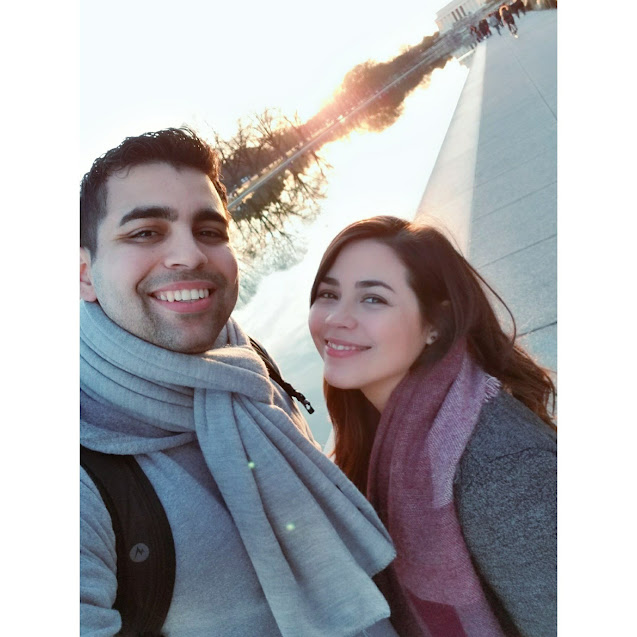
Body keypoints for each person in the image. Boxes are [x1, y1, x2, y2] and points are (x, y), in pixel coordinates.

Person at [80, 128, 399, 636]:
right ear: (83, 273)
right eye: (145, 233)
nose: (190, 255)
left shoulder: (238, 359)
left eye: (209, 231)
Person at [308, 216, 557, 637]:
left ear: (434, 326)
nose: (337, 317)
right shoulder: (380, 434)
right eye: (329, 294)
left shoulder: (503, 467)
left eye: (373, 299)